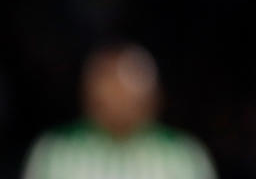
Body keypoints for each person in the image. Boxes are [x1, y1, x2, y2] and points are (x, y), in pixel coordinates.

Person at [22, 43, 217, 179]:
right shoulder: (55, 151)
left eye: (127, 88)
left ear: (153, 96)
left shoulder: (183, 155)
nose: (118, 99)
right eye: (108, 85)